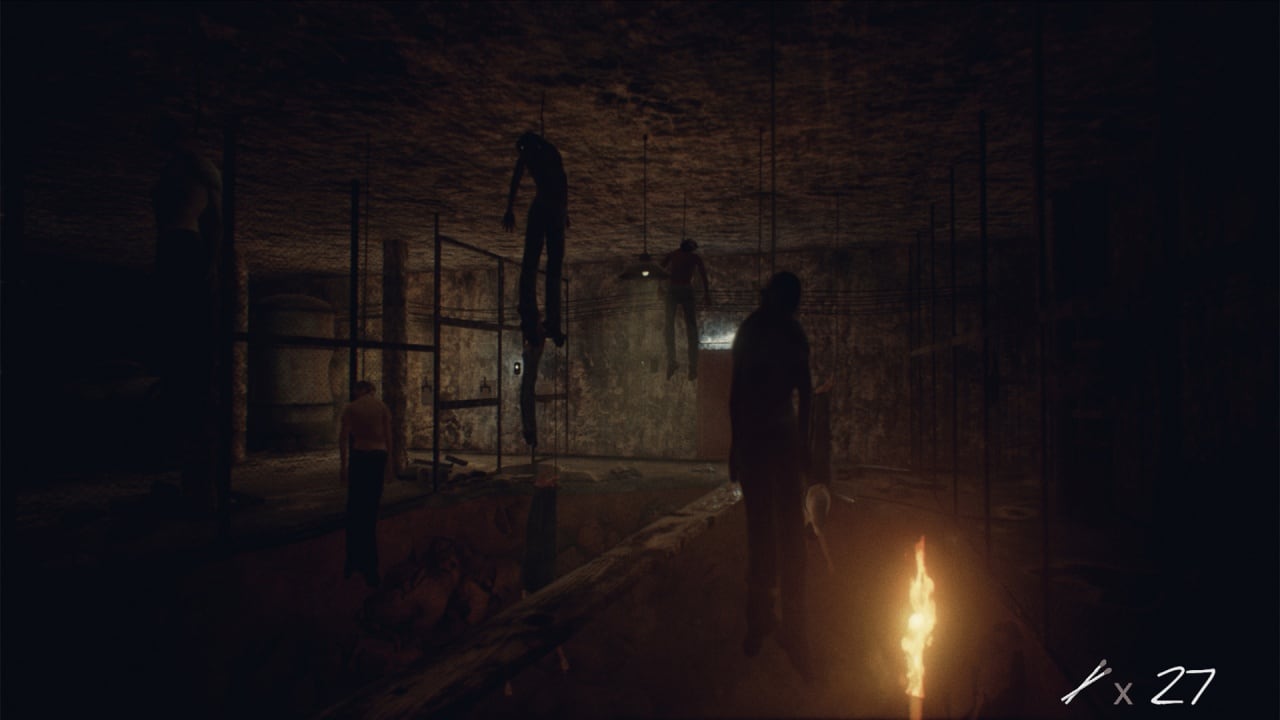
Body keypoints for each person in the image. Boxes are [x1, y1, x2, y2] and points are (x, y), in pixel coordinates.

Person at [728, 271, 815, 680]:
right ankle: (768, 621)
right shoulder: (776, 332)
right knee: (771, 531)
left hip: (768, 441)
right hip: (768, 441)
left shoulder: (762, 330)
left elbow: (802, 394)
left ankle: (776, 624)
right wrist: (736, 446)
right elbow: (802, 395)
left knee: (773, 532)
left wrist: (803, 446)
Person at [151, 113, 224, 516]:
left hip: (184, 245)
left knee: (192, 349)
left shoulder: (200, 170)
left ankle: (199, 483)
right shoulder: (180, 171)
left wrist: (211, 261)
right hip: (176, 247)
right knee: (180, 341)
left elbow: (216, 218)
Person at [503, 131, 569, 348]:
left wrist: (509, 208)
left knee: (533, 262)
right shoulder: (548, 152)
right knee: (551, 267)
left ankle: (533, 309)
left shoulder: (538, 153)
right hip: (554, 208)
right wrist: (563, 210)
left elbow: (517, 178)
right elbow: (562, 181)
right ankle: (548, 317)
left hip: (546, 207)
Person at [340, 380, 393, 588]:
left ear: (359, 391)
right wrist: (390, 465)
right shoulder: (382, 407)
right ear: (371, 391)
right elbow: (388, 438)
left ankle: (352, 560)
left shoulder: (351, 408)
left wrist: (343, 466)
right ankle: (370, 565)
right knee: (370, 511)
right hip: (377, 457)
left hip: (359, 456)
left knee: (354, 510)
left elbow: (343, 438)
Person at [660, 239, 711, 380]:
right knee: (687, 328)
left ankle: (681, 364)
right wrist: (707, 293)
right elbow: (703, 274)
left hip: (676, 289)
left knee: (676, 327)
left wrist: (659, 286)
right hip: (681, 289)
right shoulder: (690, 257)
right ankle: (685, 365)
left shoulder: (675, 255)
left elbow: (660, 269)